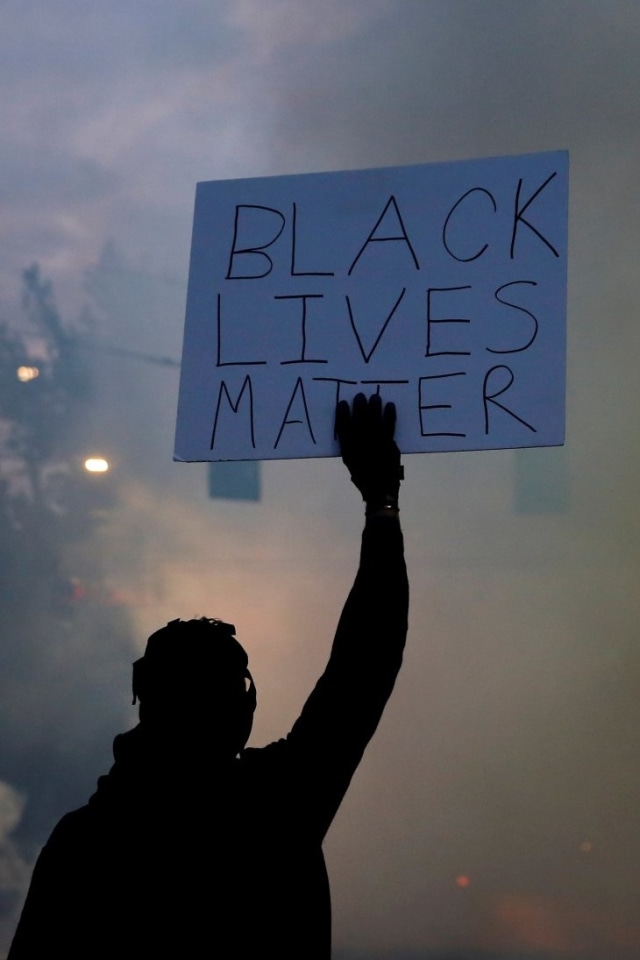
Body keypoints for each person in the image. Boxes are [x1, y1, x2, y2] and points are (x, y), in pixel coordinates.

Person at [8, 393, 409, 959]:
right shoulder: (274, 807)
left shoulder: (85, 841)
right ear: (238, 706)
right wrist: (381, 504)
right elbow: (365, 663)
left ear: (146, 702)